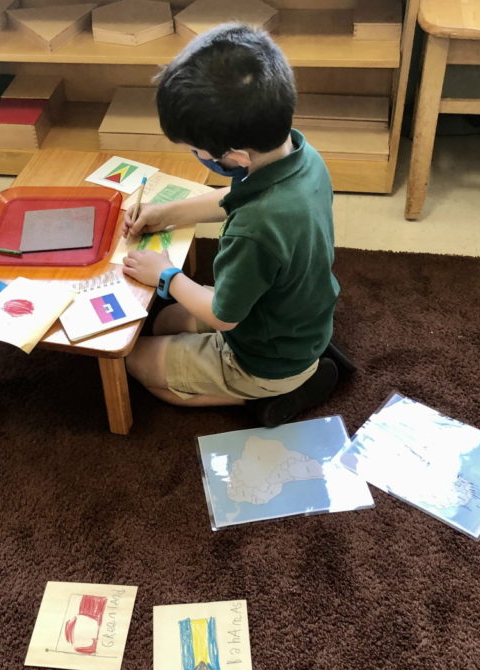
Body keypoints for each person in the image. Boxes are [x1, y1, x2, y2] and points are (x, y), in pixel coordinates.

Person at [121, 23, 354, 428]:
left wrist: (167, 275)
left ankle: (273, 394)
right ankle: (288, 375)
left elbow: (224, 317)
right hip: (295, 319)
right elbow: (235, 199)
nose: (195, 155)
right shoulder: (299, 153)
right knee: (160, 322)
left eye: (196, 151)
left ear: (237, 156)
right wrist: (165, 213)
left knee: (135, 363)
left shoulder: (255, 229)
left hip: (263, 357)